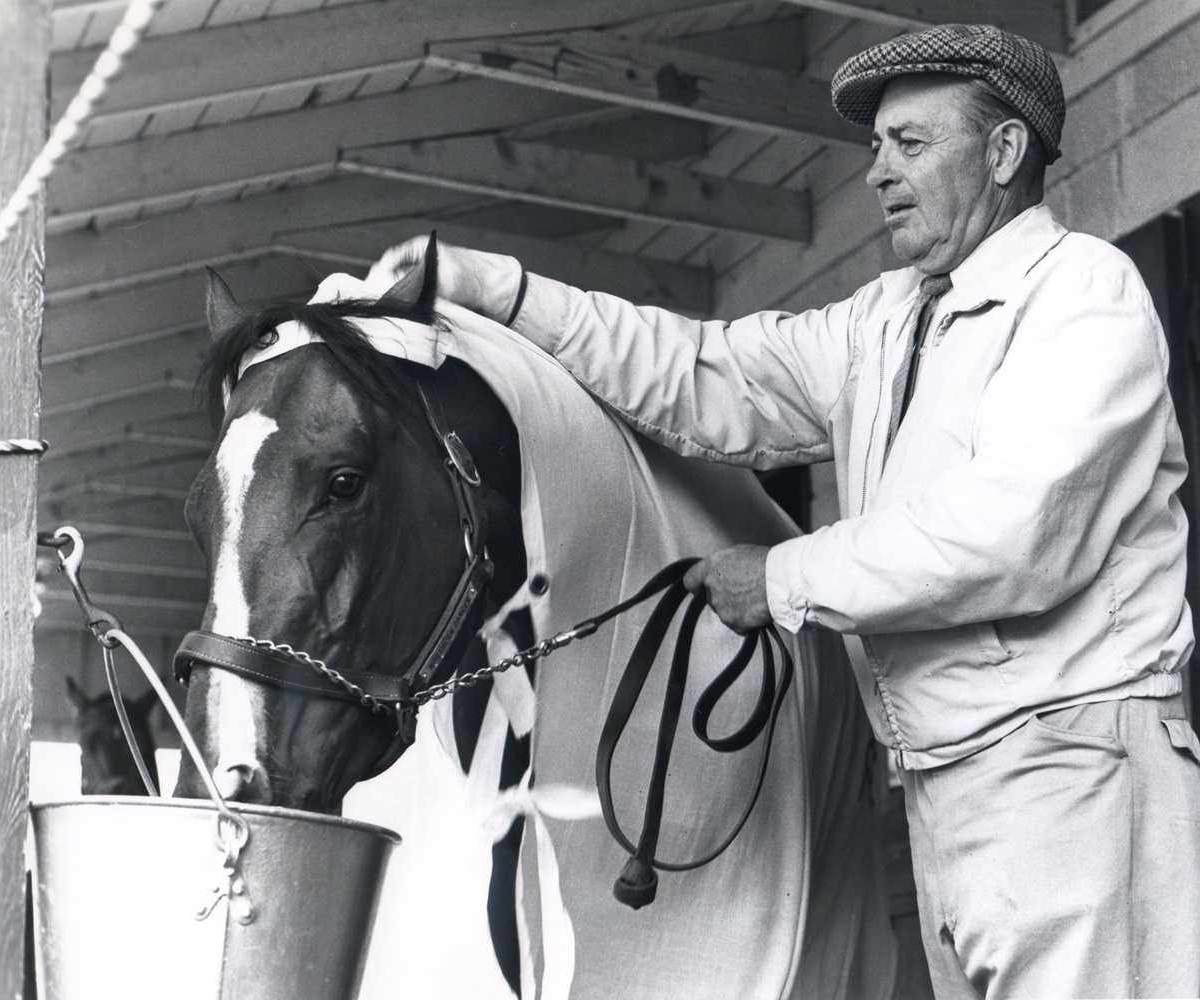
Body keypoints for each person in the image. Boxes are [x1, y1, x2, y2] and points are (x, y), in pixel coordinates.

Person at [374, 23, 1200, 998]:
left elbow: (1008, 537)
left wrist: (778, 578)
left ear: (1006, 150)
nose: (878, 172)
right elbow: (698, 372)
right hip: (948, 783)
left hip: (1071, 768)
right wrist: (493, 289)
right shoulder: (887, 321)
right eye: (875, 148)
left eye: (912, 143)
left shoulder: (1083, 297)